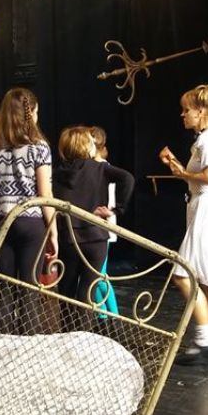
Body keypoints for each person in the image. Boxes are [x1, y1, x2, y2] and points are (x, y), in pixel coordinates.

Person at [159, 84, 208, 358]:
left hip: (206, 210)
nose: (183, 115)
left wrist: (183, 174)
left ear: (200, 112)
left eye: (186, 110)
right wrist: (176, 167)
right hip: (204, 208)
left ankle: (206, 334)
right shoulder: (205, 140)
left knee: (182, 275)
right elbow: (197, 177)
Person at [0, 88, 57, 285]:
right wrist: (53, 232)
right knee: (29, 289)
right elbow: (45, 193)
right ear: (31, 113)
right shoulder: (38, 147)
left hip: (1, 222)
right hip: (31, 222)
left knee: (5, 290)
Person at [52, 126, 134, 305]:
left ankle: (67, 324)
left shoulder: (58, 174)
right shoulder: (99, 168)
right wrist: (116, 209)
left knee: (66, 292)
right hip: (95, 238)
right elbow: (127, 178)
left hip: (69, 238)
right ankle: (85, 324)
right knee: (88, 292)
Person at [88, 125, 122, 316]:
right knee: (94, 275)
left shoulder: (103, 168)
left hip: (102, 227)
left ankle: (113, 316)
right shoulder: (91, 167)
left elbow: (107, 201)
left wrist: (108, 213)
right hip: (92, 228)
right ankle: (103, 315)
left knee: (98, 276)